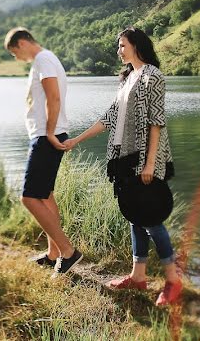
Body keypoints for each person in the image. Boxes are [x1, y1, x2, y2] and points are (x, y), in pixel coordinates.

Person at [62, 27, 182, 306]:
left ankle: (173, 281)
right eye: (118, 46)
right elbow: (110, 118)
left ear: (136, 45)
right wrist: (77, 140)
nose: (118, 50)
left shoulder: (153, 76)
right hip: (124, 158)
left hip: (143, 158)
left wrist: (150, 163)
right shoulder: (128, 78)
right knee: (134, 214)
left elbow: (156, 121)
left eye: (122, 45)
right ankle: (138, 277)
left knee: (151, 218)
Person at [4, 27, 82, 276]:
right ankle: (53, 254)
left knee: (28, 197)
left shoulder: (43, 59)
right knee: (45, 195)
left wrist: (49, 132)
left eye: (14, 51)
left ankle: (68, 251)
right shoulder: (43, 60)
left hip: (46, 136)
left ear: (23, 42)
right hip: (45, 134)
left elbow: (54, 98)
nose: (15, 58)